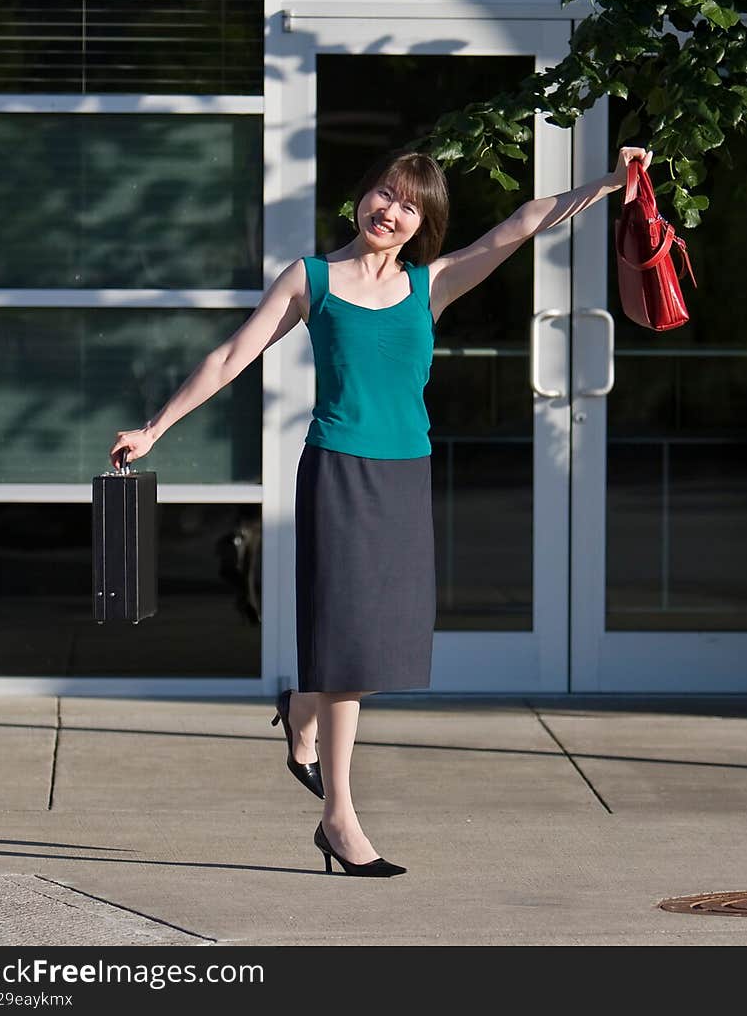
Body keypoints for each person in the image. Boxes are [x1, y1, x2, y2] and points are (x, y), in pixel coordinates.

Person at [110, 140, 653, 878]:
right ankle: (339, 817)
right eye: (384, 194)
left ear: (422, 221)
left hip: (406, 477)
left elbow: (523, 222)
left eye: (409, 205)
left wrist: (618, 181)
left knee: (378, 644)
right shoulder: (311, 280)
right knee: (350, 645)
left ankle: (302, 708)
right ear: (362, 193)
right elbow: (231, 357)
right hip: (337, 471)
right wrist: (154, 428)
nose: (390, 212)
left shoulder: (431, 285)